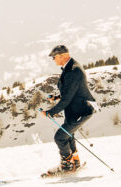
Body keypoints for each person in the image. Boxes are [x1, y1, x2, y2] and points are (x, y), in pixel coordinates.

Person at [38, 45, 98, 176]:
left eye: (54, 57)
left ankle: (67, 166)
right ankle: (74, 162)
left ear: (61, 56)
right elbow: (72, 90)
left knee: (60, 137)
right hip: (76, 108)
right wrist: (56, 97)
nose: (53, 60)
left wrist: (50, 112)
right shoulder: (71, 67)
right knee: (68, 135)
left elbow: (66, 100)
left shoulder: (72, 71)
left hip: (81, 110)